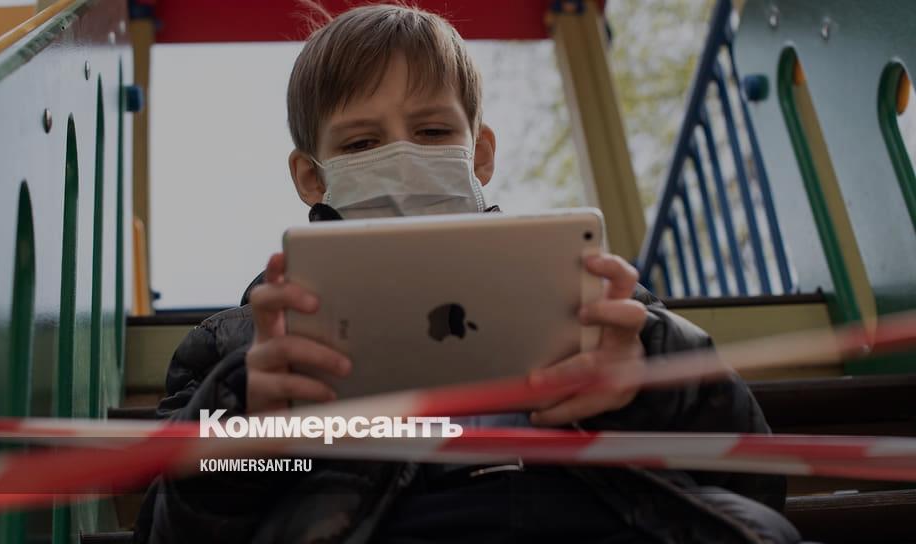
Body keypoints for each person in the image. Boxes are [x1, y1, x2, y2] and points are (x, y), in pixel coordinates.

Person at [136, 4, 801, 543]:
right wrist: (249, 420)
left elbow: (752, 481)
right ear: (312, 176)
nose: (402, 156)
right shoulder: (239, 347)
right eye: (362, 143)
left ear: (479, 154)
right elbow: (171, 527)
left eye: (431, 132)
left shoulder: (596, 300)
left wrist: (649, 379)